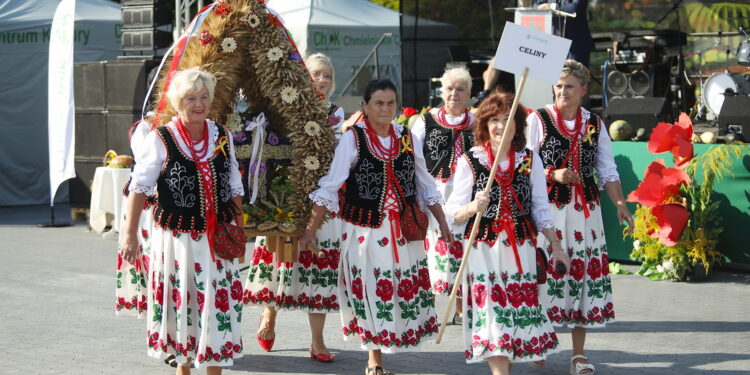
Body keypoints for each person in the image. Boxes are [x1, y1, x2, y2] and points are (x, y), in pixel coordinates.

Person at [297, 79, 454, 375]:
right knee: (370, 289)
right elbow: (330, 187)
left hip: (404, 232)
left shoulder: (406, 137)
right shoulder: (352, 138)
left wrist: (442, 222)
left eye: (391, 103)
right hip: (366, 231)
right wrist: (310, 229)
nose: (385, 108)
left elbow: (425, 183)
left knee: (398, 288)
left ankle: (393, 340)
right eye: (379, 103)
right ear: (365, 107)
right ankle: (374, 360)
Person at [119, 67, 245, 375]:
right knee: (182, 303)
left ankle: (213, 368)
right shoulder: (161, 138)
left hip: (215, 240)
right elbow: (139, 188)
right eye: (191, 98)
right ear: (178, 101)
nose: (198, 104)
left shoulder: (221, 135)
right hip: (177, 241)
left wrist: (237, 228)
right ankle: (183, 368)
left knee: (216, 302)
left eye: (204, 97)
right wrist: (129, 235)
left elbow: (234, 185)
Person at [445, 91, 569, 375]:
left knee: (513, 317)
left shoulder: (529, 160)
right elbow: (452, 211)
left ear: (517, 125)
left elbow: (541, 208)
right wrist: (473, 207)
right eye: (495, 120)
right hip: (483, 252)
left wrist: (556, 246)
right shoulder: (471, 160)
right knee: (493, 316)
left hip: (520, 252)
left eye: (508, 119)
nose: (501, 125)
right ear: (485, 125)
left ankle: (504, 366)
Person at [525, 60, 633, 375]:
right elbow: (524, 164)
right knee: (544, 276)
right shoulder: (539, 120)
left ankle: (579, 354)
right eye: (558, 86)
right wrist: (552, 173)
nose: (563, 92)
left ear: (583, 90)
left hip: (585, 215)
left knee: (582, 278)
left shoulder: (594, 124)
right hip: (548, 213)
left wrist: (619, 203)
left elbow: (607, 169)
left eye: (569, 86)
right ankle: (538, 338)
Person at [243, 52, 345, 361]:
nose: (322, 80)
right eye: (316, 74)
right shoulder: (283, 107)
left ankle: (317, 341)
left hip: (323, 199)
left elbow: (337, 156)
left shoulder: (336, 114)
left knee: (320, 268)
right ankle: (269, 315)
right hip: (286, 195)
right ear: (303, 77)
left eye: (327, 75)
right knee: (280, 261)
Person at [411, 67, 475, 324]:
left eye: (460, 89)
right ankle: (433, 309)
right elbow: (413, 157)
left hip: (466, 195)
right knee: (435, 252)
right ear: (441, 91)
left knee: (461, 250)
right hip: (434, 193)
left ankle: (459, 308)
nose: (454, 93)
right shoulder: (426, 121)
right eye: (449, 88)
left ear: (469, 93)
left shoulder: (478, 122)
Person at [534, 0, 594, 67]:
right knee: (555, 75)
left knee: (575, 75)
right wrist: (541, 7)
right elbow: (536, 5)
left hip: (575, 45)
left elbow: (574, 8)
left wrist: (551, 6)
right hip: (554, 42)